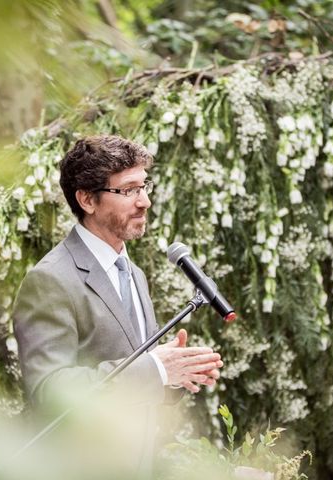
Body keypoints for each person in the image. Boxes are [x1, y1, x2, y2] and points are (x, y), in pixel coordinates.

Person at [13, 134, 223, 475]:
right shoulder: (50, 280)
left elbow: (139, 385)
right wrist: (155, 369)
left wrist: (174, 375)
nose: (144, 202)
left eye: (144, 187)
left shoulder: (134, 274)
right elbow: (50, 393)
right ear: (87, 200)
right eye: (127, 190)